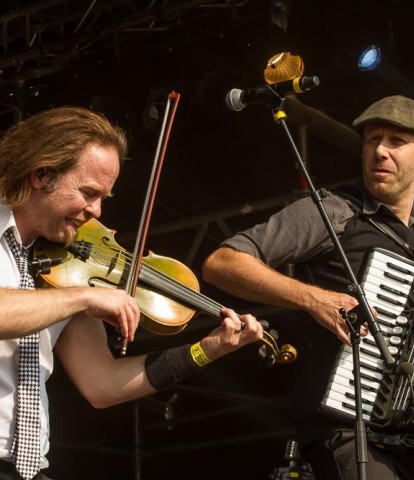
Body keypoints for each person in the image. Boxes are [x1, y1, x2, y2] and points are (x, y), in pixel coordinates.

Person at [202, 95, 414, 479]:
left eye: (396, 141)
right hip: (346, 429)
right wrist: (311, 297)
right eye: (372, 140)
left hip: (410, 438)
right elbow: (222, 262)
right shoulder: (333, 211)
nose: (380, 151)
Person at [0, 106, 263, 480]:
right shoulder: (74, 292)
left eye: (104, 197)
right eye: (89, 193)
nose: (96, 211)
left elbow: (101, 384)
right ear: (41, 174)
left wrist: (206, 351)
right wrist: (84, 298)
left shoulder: (62, 273)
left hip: (28, 470)